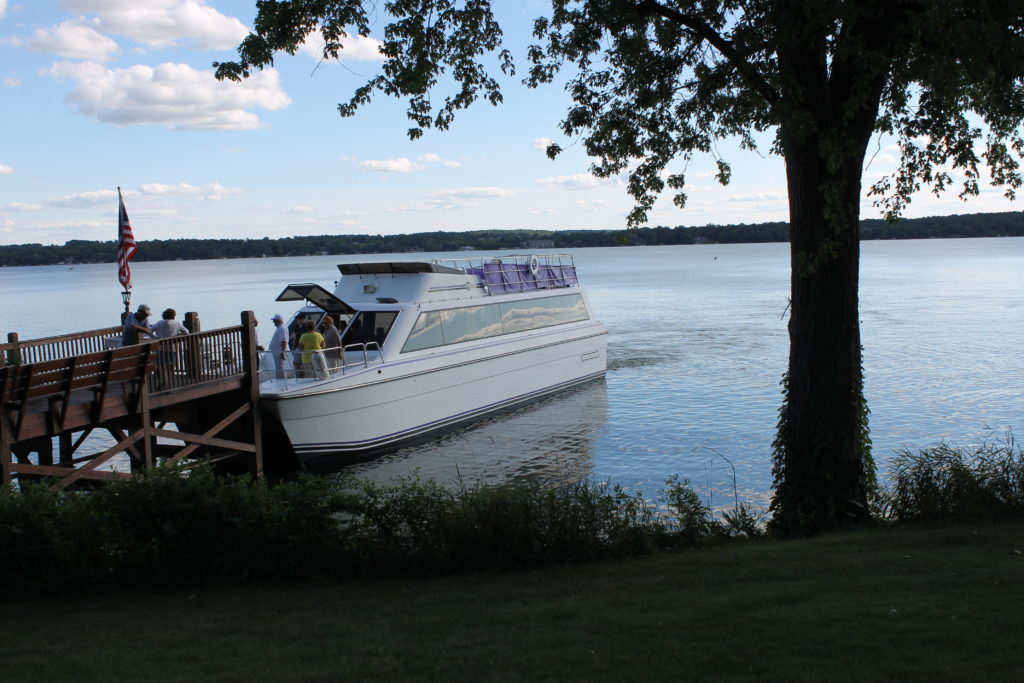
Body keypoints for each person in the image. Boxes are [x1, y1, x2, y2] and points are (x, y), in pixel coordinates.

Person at [151, 308, 189, 389]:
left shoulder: (159, 323)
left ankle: (164, 382)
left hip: (161, 348)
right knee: (171, 366)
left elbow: (150, 331)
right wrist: (177, 335)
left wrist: (156, 338)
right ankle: (167, 382)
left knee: (162, 366)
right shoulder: (176, 323)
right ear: (173, 315)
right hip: (173, 348)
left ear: (164, 315)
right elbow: (186, 332)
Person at [268, 313, 289, 379]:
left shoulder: (282, 328)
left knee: (280, 366)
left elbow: (284, 341)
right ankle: (280, 379)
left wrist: (283, 352)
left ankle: (282, 380)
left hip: (279, 351)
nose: (274, 322)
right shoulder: (280, 327)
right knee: (278, 367)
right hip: (277, 351)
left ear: (279, 320)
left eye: (275, 321)